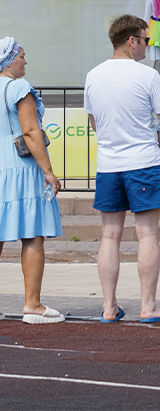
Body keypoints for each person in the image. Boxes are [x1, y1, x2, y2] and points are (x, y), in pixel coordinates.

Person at [84, 14, 160, 324]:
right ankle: (148, 306)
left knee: (110, 235)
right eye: (146, 40)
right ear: (132, 41)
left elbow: (94, 122)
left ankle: (109, 307)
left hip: (109, 164)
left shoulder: (93, 75)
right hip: (143, 162)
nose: (148, 46)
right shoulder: (147, 75)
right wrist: (155, 145)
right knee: (147, 233)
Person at [0, 37, 64, 323]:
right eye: (22, 56)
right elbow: (30, 131)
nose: (25, 60)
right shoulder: (19, 88)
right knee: (33, 233)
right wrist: (48, 171)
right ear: (9, 60)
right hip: (21, 167)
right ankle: (33, 305)